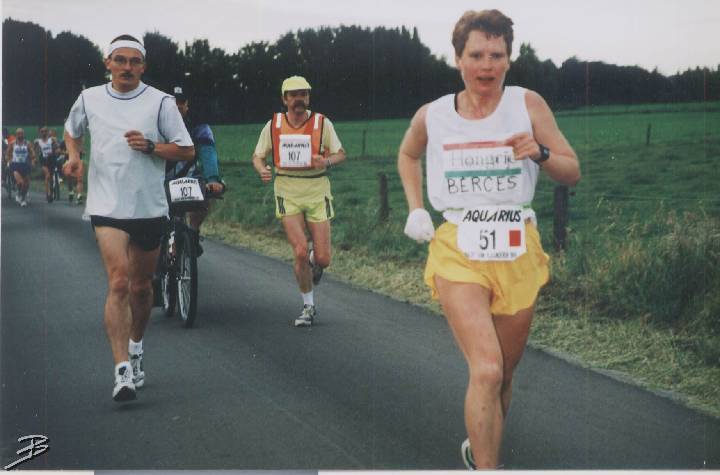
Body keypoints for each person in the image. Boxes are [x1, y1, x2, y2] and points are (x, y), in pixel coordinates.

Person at [397, 10, 580, 469]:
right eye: (476, 54)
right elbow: (407, 153)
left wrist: (538, 153)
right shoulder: (434, 114)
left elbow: (571, 170)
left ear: (509, 59)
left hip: (517, 244)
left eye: (496, 55)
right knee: (487, 367)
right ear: (458, 59)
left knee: (504, 374)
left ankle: (482, 449)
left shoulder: (528, 104)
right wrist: (416, 206)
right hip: (459, 246)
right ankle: (487, 466)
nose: (486, 65)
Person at [63, 35, 194, 402]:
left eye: (134, 61)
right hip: (107, 205)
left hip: (149, 207)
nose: (126, 67)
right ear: (107, 63)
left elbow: (186, 148)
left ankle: (136, 349)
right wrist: (74, 157)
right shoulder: (89, 98)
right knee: (119, 282)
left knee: (141, 287)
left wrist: (152, 147)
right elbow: (71, 131)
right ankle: (121, 370)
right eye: (119, 60)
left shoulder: (161, 102)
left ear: (143, 66)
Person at [251, 76, 346, 326]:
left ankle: (315, 261)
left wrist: (324, 161)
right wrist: (261, 169)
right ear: (284, 99)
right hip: (287, 189)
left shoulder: (321, 123)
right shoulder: (274, 124)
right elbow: (258, 156)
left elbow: (340, 154)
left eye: (303, 94)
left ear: (308, 97)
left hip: (317, 189)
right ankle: (308, 307)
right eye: (293, 95)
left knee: (323, 259)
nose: (298, 100)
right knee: (301, 251)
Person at [167, 86, 225, 254]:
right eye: (173, 102)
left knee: (205, 192)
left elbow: (208, 152)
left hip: (187, 176)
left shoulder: (199, 126)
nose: (177, 106)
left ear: (187, 105)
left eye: (181, 102)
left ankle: (192, 232)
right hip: (159, 177)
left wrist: (213, 179)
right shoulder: (154, 124)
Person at [5, 128, 37, 206]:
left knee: (26, 184)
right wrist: (9, 160)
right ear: (16, 135)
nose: (20, 135)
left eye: (21, 133)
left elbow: (32, 154)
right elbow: (7, 154)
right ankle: (21, 197)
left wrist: (33, 161)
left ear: (23, 134)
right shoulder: (12, 143)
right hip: (15, 165)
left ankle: (22, 196)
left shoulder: (27, 143)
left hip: (25, 165)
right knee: (20, 182)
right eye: (18, 134)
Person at [56, 137, 85, 204]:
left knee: (79, 179)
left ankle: (79, 196)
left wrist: (82, 152)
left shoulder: (79, 141)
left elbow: (82, 150)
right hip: (68, 161)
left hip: (78, 161)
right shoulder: (65, 141)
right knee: (69, 178)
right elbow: (59, 150)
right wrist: (65, 152)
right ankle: (71, 191)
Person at [34, 126, 59, 202]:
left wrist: (55, 151)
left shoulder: (52, 140)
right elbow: (33, 150)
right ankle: (48, 194)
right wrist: (34, 157)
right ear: (40, 133)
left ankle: (51, 191)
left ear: (48, 132)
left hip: (51, 159)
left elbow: (57, 148)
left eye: (45, 131)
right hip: (43, 160)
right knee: (47, 175)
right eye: (42, 132)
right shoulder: (37, 141)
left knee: (51, 177)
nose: (44, 133)